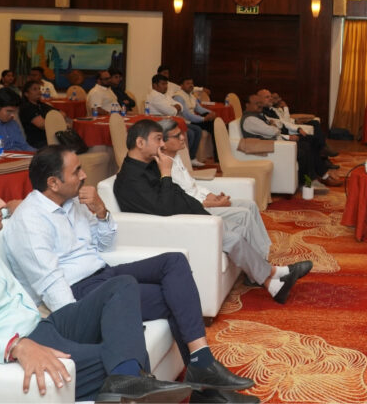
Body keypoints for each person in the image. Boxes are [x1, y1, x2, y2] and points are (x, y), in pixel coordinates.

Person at [0, 168, 194, 402]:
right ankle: (130, 385)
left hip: (42, 325)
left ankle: (128, 386)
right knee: (116, 356)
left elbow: (15, 211)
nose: (1, 204)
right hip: (17, 347)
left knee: (122, 285)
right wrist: (15, 347)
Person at [1, 146, 256, 397]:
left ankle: (201, 361)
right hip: (81, 293)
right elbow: (52, 286)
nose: (84, 175)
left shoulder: (74, 202)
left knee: (174, 262)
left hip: (103, 274)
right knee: (155, 293)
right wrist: (97, 319)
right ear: (53, 183)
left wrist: (101, 212)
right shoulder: (30, 221)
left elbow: (104, 245)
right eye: (76, 171)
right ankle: (206, 389)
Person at [113, 120, 312, 304]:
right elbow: (164, 210)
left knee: (239, 228)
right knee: (234, 238)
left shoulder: (150, 164)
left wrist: (202, 206)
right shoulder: (130, 180)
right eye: (158, 139)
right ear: (140, 142)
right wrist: (166, 174)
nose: (162, 144)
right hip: (175, 228)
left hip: (191, 216)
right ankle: (276, 274)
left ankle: (274, 284)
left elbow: (178, 194)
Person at [159, 119, 270, 258]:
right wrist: (214, 203)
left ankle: (266, 250)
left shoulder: (176, 156)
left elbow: (192, 184)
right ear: (162, 143)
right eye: (177, 136)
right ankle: (261, 258)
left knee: (250, 205)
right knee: (244, 214)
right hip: (199, 209)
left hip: (204, 201)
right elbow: (184, 201)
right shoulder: (163, 167)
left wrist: (212, 195)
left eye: (181, 133)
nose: (183, 138)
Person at [242, 94, 341, 189]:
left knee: (308, 143)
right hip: (269, 148)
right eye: (256, 103)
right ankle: (317, 177)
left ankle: (318, 176)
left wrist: (275, 126)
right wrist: (275, 127)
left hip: (276, 143)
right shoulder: (250, 119)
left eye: (260, 103)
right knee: (305, 147)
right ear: (247, 105)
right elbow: (273, 131)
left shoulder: (258, 116)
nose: (260, 105)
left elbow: (279, 124)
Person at [173, 77, 217, 166]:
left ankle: (217, 155)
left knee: (214, 124)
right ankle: (192, 157)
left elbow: (199, 109)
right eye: (187, 83)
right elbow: (187, 115)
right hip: (186, 121)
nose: (191, 85)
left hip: (193, 120)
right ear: (181, 86)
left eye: (191, 83)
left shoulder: (191, 95)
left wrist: (210, 113)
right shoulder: (178, 97)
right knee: (207, 126)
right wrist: (204, 119)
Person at [19, 80, 72, 149]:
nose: (39, 91)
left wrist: (51, 121)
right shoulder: (26, 108)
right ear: (26, 94)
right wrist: (57, 121)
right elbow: (42, 125)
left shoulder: (42, 105)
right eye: (35, 89)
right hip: (38, 141)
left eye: (39, 89)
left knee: (72, 144)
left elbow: (63, 114)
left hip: (52, 138)